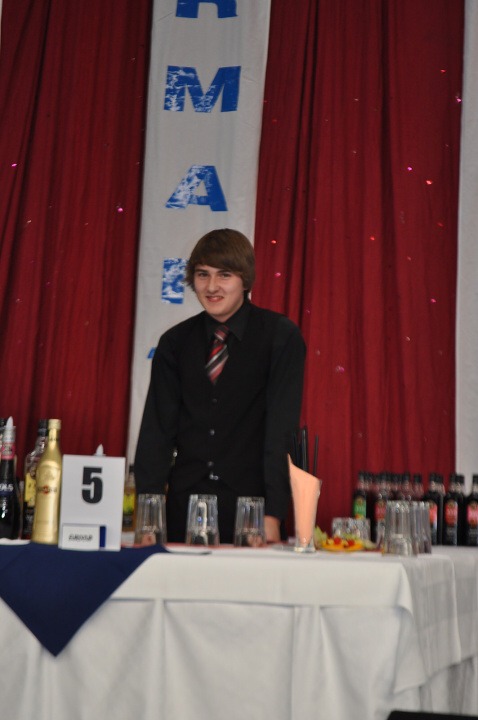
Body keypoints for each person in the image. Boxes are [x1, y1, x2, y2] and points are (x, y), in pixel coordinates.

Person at [134, 228, 306, 543]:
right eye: (203, 275)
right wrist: (148, 517)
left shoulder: (280, 337)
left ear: (245, 280)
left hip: (251, 512)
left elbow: (281, 431)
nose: (212, 287)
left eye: (224, 275)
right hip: (182, 510)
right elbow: (156, 434)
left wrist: (273, 514)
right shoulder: (174, 343)